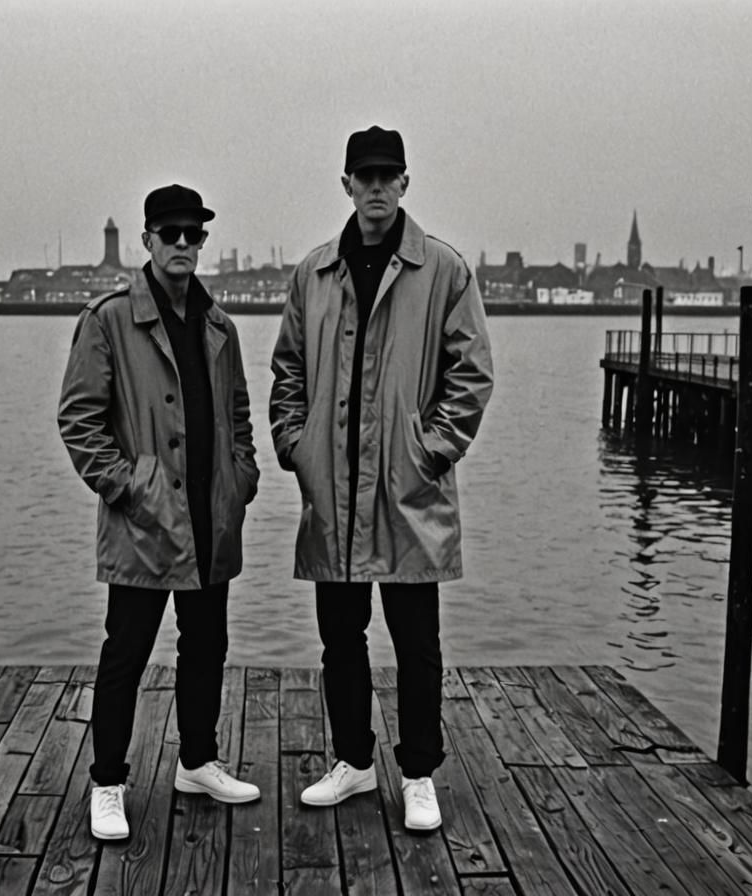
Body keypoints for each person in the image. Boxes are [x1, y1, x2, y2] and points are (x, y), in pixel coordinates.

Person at [269, 126, 493, 831]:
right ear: (345, 185)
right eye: (363, 176)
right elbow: (287, 373)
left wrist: (430, 452)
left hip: (407, 491)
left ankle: (419, 770)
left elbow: (473, 374)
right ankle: (355, 762)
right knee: (341, 636)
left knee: (416, 639)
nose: (375, 188)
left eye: (387, 175)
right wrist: (296, 445)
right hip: (332, 491)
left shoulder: (444, 271)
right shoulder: (312, 274)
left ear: (404, 182)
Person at [59, 183, 262, 840]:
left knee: (207, 646)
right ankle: (108, 783)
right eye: (169, 232)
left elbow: (238, 414)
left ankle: (197, 761)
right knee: (127, 652)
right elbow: (79, 421)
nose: (182, 244)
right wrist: (128, 488)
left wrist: (242, 478)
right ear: (145, 240)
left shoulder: (219, 327)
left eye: (192, 233)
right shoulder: (108, 319)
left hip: (211, 516)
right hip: (145, 521)